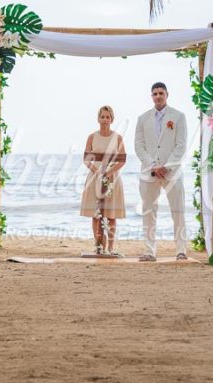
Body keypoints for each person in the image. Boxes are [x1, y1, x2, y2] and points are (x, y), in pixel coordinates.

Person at [134, 82, 188, 261]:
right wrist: (153, 166)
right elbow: (139, 146)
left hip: (172, 173)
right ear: (151, 96)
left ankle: (181, 250)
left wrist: (167, 166)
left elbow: (181, 145)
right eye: (155, 93)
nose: (158, 96)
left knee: (178, 212)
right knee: (149, 212)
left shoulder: (178, 117)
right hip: (149, 173)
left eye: (161, 93)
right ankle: (149, 251)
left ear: (167, 94)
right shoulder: (142, 119)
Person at [80, 106, 127, 255]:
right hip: (95, 177)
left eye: (108, 117)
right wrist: (97, 171)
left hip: (112, 177)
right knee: (96, 214)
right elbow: (86, 159)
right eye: (103, 117)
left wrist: (108, 172)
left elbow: (122, 160)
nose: (105, 120)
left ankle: (111, 247)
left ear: (112, 119)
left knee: (111, 214)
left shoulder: (118, 138)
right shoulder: (91, 137)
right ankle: (99, 246)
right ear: (98, 119)